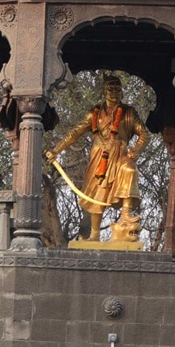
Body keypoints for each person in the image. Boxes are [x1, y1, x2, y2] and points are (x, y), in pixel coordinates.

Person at [46, 74, 149, 243]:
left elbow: (144, 134)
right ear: (104, 91)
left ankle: (125, 216)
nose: (114, 92)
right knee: (97, 192)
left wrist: (136, 150)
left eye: (117, 89)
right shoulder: (94, 113)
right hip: (99, 157)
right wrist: (56, 151)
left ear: (122, 92)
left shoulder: (129, 113)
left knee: (130, 170)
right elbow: (75, 133)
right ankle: (94, 235)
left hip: (121, 154)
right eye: (110, 88)